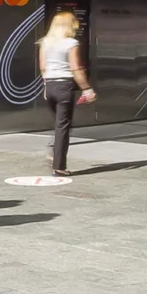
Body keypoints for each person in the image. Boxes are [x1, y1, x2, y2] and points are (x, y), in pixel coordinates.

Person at [37, 10, 95, 178]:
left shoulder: (45, 43)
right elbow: (76, 68)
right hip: (64, 87)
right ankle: (59, 166)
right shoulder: (71, 43)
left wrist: (46, 86)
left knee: (59, 124)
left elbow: (42, 67)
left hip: (50, 86)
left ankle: (53, 151)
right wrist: (87, 88)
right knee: (63, 126)